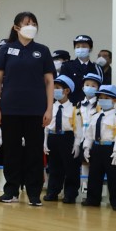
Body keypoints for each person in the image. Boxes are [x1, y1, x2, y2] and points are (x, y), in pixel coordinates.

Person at [0, 11, 54, 205]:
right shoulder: (6, 50)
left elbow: (50, 82)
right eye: (27, 23)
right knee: (11, 150)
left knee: (35, 152)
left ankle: (34, 193)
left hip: (36, 110)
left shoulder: (42, 51)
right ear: (16, 27)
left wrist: (49, 109)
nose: (31, 26)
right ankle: (11, 190)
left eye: (34, 23)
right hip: (10, 109)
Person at [81, 84, 116, 210]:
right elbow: (89, 134)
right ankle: (92, 198)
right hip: (97, 148)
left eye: (107, 98)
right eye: (101, 97)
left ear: (115, 100)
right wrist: (86, 147)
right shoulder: (95, 116)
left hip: (111, 149)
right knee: (94, 175)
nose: (103, 100)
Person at [43, 74, 81, 203]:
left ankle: (70, 193)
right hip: (53, 137)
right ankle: (53, 191)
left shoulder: (75, 109)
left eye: (58, 87)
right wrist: (45, 142)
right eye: (53, 87)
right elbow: (46, 126)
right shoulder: (50, 107)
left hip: (67, 138)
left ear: (67, 91)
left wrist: (76, 144)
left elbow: (78, 129)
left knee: (71, 168)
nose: (54, 90)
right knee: (54, 167)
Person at [60, 34, 102, 105]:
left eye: (84, 46)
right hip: (71, 106)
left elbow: (101, 89)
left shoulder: (97, 68)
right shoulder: (67, 66)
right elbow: (62, 88)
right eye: (77, 47)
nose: (80, 49)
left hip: (92, 106)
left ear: (90, 49)